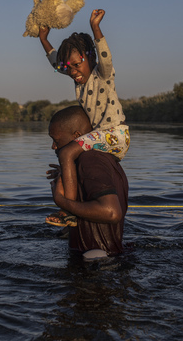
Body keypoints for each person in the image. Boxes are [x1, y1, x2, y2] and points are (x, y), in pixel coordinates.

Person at [38, 9, 130, 227]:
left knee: (66, 151)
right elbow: (56, 63)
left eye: (77, 65)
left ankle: (66, 210)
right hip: (100, 137)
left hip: (115, 134)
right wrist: (43, 38)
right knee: (66, 163)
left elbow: (105, 57)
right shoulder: (76, 78)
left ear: (90, 57)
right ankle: (70, 207)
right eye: (68, 68)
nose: (73, 72)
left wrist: (96, 28)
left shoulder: (102, 75)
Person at [47, 106, 129, 258]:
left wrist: (60, 200)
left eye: (56, 140)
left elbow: (111, 212)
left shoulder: (90, 160)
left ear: (77, 135)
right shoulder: (102, 159)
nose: (53, 146)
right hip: (105, 258)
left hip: (95, 264)